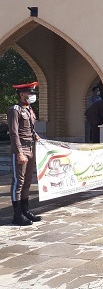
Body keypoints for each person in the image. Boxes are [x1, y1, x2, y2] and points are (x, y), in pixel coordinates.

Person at [7, 82, 42, 225]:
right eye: (30, 93)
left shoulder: (29, 109)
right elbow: (14, 133)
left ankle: (25, 210)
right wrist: (19, 152)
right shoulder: (14, 110)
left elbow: (29, 129)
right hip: (21, 149)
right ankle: (17, 215)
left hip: (31, 148)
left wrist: (36, 136)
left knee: (27, 181)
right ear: (22, 94)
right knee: (18, 181)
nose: (32, 96)